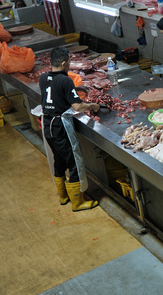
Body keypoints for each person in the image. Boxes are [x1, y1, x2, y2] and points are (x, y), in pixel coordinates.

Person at [39, 47, 100, 211]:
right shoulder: (65, 80)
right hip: (60, 126)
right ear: (64, 63)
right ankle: (78, 202)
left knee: (58, 160)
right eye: (69, 63)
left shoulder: (43, 77)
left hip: (47, 125)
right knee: (73, 162)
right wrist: (93, 105)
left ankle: (63, 196)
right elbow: (77, 105)